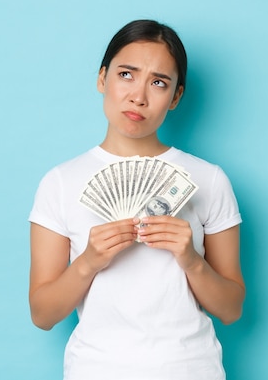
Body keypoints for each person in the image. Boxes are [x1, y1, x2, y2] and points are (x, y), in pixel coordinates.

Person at [28, 20, 245, 380]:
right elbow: (42, 314)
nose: (139, 96)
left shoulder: (209, 179)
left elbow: (232, 308)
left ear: (176, 97)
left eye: (159, 82)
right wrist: (89, 262)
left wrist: (190, 260)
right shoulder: (60, 182)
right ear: (102, 79)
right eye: (126, 74)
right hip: (95, 370)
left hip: (191, 370)